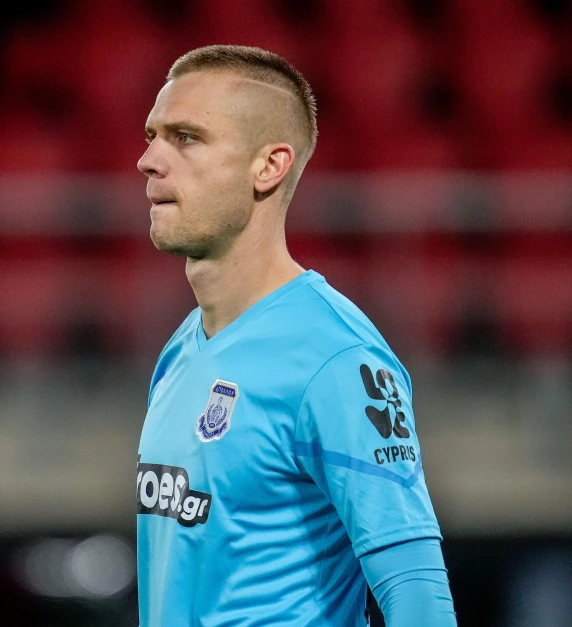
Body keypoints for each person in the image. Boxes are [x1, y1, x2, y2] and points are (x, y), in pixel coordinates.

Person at [135, 45, 456, 626]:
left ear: (269, 166)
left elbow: (418, 595)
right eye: (153, 136)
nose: (149, 160)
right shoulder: (180, 350)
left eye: (186, 138)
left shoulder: (337, 359)